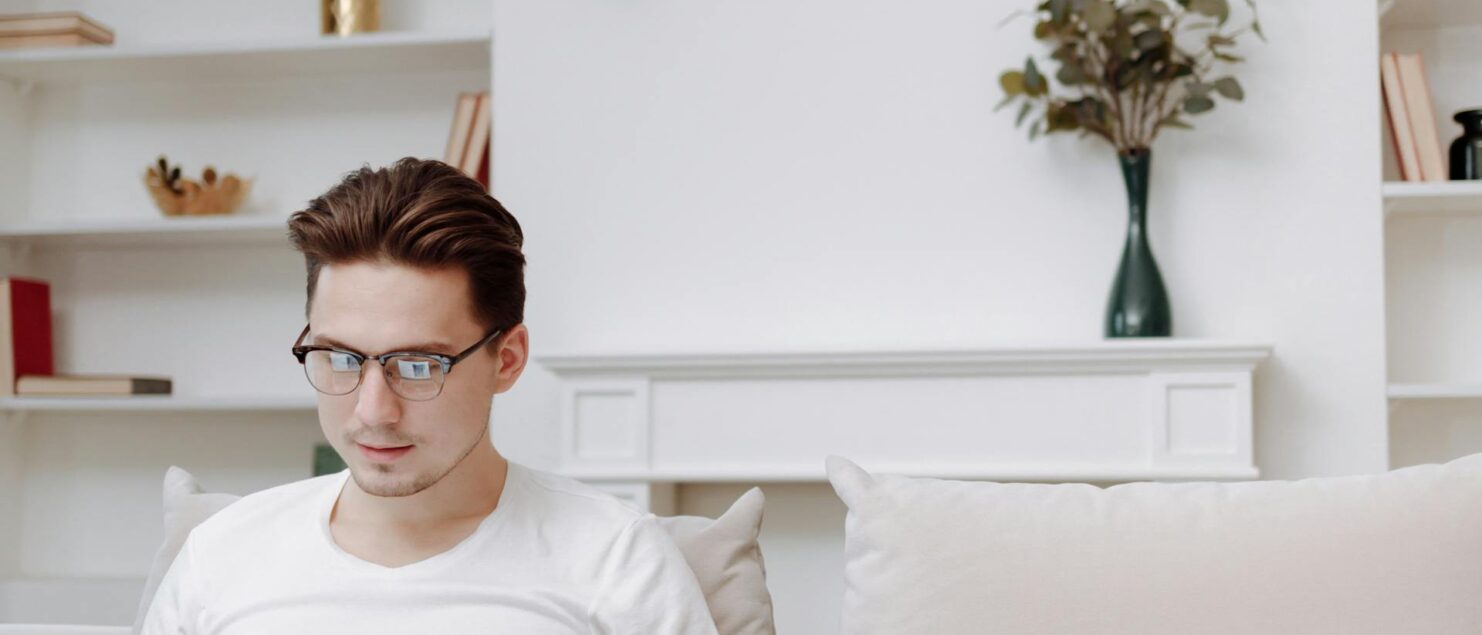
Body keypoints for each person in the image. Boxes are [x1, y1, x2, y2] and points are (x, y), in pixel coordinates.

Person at [141, 157, 718, 634]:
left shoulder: (616, 561)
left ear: (507, 360)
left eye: (418, 366)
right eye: (341, 358)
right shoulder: (220, 556)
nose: (373, 411)